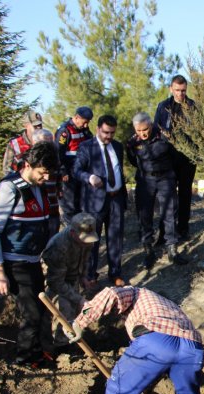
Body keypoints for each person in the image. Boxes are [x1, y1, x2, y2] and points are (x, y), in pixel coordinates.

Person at [70, 286, 204, 394]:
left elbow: (111, 293)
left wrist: (80, 322)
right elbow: (169, 354)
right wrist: (147, 386)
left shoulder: (135, 293)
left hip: (156, 339)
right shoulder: (168, 305)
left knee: (119, 390)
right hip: (193, 349)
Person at [0, 141, 58, 367]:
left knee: (41, 310)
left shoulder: (40, 187)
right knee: (31, 314)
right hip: (14, 263)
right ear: (28, 165)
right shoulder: (9, 188)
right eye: (42, 173)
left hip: (34, 262)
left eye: (49, 174)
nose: (46, 178)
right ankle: (24, 359)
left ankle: (39, 352)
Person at [126, 112, 187, 267]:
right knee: (144, 215)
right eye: (138, 131)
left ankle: (172, 250)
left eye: (144, 129)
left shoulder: (164, 137)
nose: (142, 133)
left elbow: (176, 157)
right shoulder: (132, 142)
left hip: (165, 178)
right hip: (145, 181)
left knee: (169, 214)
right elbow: (133, 160)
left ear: (151, 125)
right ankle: (148, 252)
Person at [74, 115, 127, 287]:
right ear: (97, 129)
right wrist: (89, 177)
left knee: (115, 238)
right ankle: (90, 275)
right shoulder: (86, 147)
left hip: (116, 199)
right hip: (94, 202)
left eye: (112, 133)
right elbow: (76, 170)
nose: (108, 136)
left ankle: (115, 274)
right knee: (92, 240)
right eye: (105, 132)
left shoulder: (118, 146)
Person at [41, 212, 98, 348]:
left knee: (74, 313)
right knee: (63, 314)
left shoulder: (86, 240)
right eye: (83, 240)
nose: (87, 243)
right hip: (55, 282)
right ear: (73, 233)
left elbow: (84, 259)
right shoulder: (58, 246)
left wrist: (83, 277)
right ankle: (59, 347)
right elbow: (55, 282)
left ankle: (69, 342)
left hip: (72, 277)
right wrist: (79, 299)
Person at [154, 74, 196, 242]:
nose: (180, 94)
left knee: (185, 195)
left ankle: (183, 229)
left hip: (186, 158)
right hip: (168, 157)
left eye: (183, 90)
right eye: (177, 90)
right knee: (166, 195)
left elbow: (198, 132)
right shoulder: (163, 106)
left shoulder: (192, 106)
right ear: (171, 89)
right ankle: (164, 231)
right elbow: (157, 129)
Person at [56, 106, 94, 227]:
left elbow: (90, 143)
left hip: (80, 171)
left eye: (88, 122)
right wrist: (63, 172)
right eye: (84, 122)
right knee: (70, 206)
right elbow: (58, 153)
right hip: (68, 173)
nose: (85, 125)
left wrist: (87, 131)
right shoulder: (65, 131)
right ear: (77, 118)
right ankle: (71, 231)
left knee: (81, 204)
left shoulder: (83, 130)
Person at [32, 129, 62, 237]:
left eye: (51, 143)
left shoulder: (55, 159)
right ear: (35, 143)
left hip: (53, 209)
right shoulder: (30, 162)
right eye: (46, 143)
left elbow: (59, 178)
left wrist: (60, 188)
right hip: (35, 212)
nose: (50, 147)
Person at [2, 109, 43, 175]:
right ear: (26, 126)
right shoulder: (15, 143)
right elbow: (7, 169)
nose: (38, 128)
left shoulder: (45, 141)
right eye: (35, 126)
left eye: (40, 125)